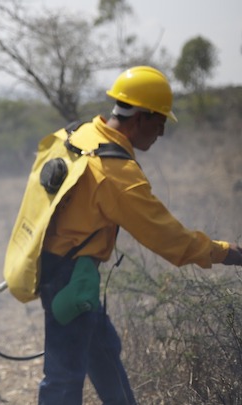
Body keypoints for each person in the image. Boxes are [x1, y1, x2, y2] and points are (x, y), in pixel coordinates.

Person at [36, 65, 242, 404]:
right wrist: (229, 252)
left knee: (103, 356)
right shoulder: (117, 173)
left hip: (66, 272)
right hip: (71, 280)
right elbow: (170, 239)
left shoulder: (82, 134)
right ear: (141, 118)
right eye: (159, 122)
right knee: (63, 380)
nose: (160, 133)